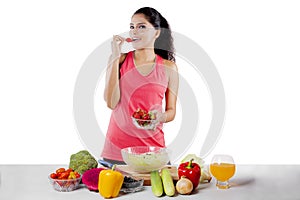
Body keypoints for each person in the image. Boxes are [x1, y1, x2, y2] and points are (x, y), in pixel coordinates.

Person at [101, 7, 179, 164]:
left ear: (156, 33)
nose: (134, 32)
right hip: (117, 152)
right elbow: (111, 102)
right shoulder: (120, 60)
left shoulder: (169, 67)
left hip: (153, 151)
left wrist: (160, 117)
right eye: (132, 27)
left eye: (141, 26)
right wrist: (115, 57)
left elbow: (171, 111)